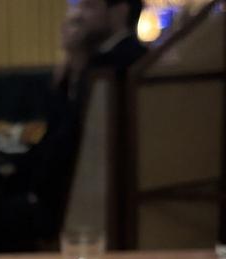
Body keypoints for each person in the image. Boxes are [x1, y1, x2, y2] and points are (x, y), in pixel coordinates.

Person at [21, 0, 147, 242]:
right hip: (75, 189)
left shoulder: (123, 63)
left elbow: (73, 141)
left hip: (95, 200)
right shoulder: (94, 60)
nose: (77, 15)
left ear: (119, 11)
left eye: (89, 6)